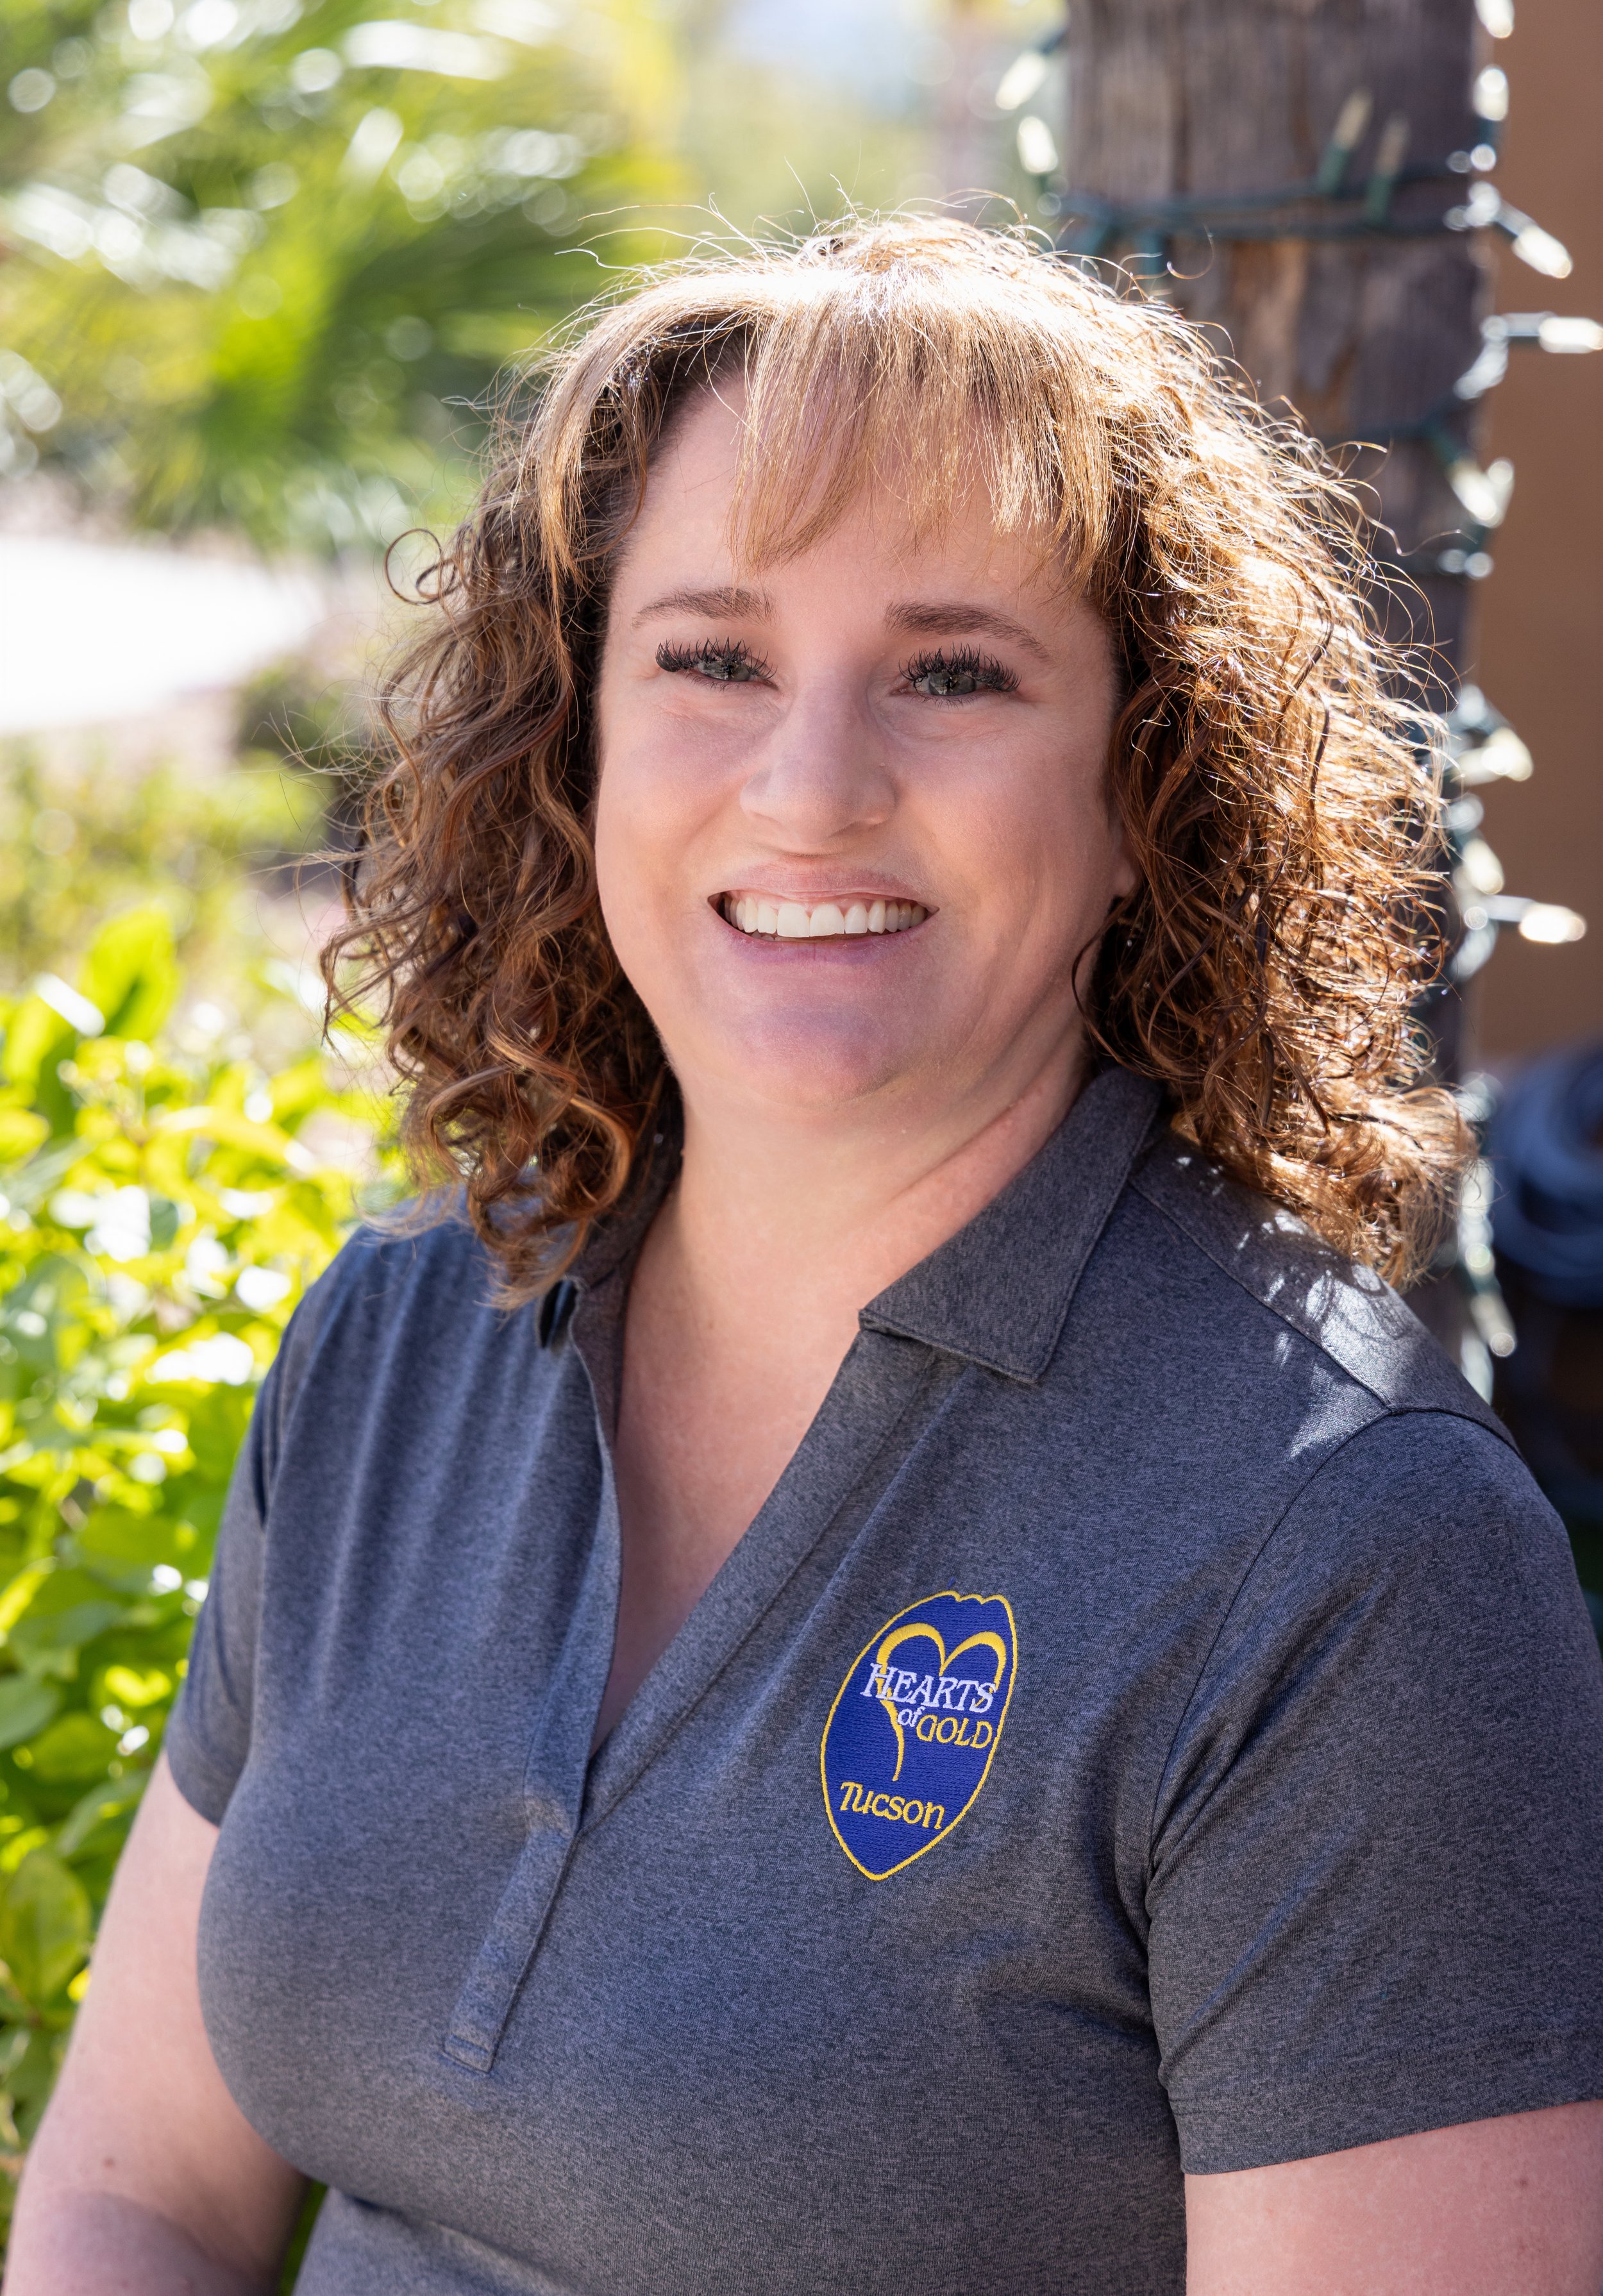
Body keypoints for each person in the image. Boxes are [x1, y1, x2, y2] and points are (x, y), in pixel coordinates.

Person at [10, 218, 1603, 2296]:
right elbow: (138, 2195)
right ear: (576, 749)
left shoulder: (1345, 1554)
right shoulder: (397, 1346)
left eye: (953, 672)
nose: (809, 784)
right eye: (712, 657)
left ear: (1144, 789)